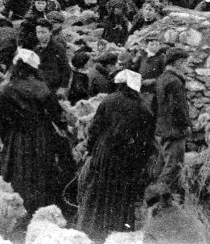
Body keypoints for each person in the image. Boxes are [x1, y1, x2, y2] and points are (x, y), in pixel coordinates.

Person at [77, 70, 156, 243]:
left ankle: (92, 232)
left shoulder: (108, 100)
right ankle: (118, 233)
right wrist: (140, 163)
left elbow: (94, 129)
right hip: (128, 161)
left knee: (98, 193)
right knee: (121, 197)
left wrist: (90, 150)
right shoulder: (144, 108)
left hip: (104, 155)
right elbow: (148, 143)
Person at [0, 49, 73, 217]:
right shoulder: (42, 88)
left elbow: (0, 119)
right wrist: (64, 129)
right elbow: (56, 114)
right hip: (40, 136)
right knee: (41, 170)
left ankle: (18, 208)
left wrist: (7, 136)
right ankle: (39, 208)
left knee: (17, 170)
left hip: (16, 137)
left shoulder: (8, 89)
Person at [152, 48, 192, 200]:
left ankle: (160, 196)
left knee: (163, 164)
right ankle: (159, 199)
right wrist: (186, 126)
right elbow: (178, 108)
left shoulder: (161, 79)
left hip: (162, 129)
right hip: (174, 131)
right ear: (178, 63)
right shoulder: (175, 82)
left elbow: (155, 105)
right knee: (173, 166)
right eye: (185, 63)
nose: (186, 67)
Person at [34, 19, 70, 91]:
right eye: (38, 32)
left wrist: (63, 87)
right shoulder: (36, 48)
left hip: (54, 86)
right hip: (39, 86)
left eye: (44, 32)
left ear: (50, 32)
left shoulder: (58, 48)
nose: (40, 35)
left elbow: (65, 68)